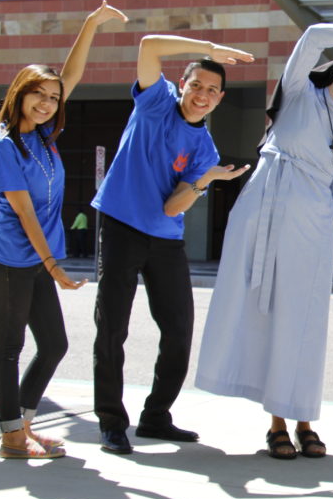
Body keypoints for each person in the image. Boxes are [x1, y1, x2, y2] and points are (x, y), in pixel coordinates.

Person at [195, 19, 333, 459]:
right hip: (260, 210)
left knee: (302, 323)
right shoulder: (297, 92)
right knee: (258, 315)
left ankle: (303, 419)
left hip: (310, 228)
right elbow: (315, 35)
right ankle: (276, 423)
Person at [91, 33, 254, 455]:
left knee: (179, 331)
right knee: (112, 328)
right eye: (196, 84)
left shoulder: (205, 149)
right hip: (122, 225)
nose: (202, 94)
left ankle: (156, 416)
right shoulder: (156, 102)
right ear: (182, 85)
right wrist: (211, 50)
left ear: (220, 100)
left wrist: (206, 179)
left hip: (164, 239)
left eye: (212, 90)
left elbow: (170, 208)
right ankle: (112, 421)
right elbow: (147, 45)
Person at [0, 1, 127, 459]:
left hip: (37, 260)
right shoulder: (5, 146)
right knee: (9, 348)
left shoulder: (41, 136)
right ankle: (10, 438)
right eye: (38, 95)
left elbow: (71, 75)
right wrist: (54, 266)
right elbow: (24, 214)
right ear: (19, 93)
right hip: (8, 259)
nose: (46, 104)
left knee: (55, 345)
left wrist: (91, 24)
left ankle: (22, 425)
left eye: (52, 98)